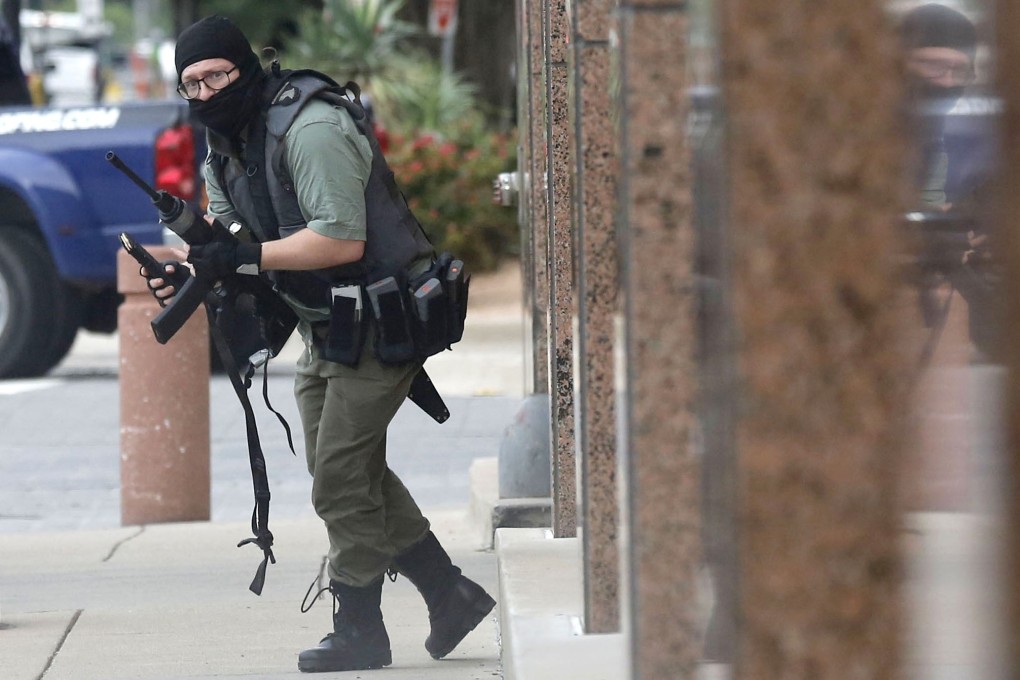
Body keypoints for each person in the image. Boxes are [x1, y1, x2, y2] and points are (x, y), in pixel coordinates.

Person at [144, 15, 494, 673]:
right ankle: (449, 593)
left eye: (216, 75)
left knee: (339, 478)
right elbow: (233, 236)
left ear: (246, 66)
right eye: (192, 84)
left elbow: (340, 240)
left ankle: (360, 626)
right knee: (347, 470)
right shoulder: (226, 143)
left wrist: (242, 257)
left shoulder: (310, 128)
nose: (206, 93)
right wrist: (188, 269)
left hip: (386, 317)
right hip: (327, 323)